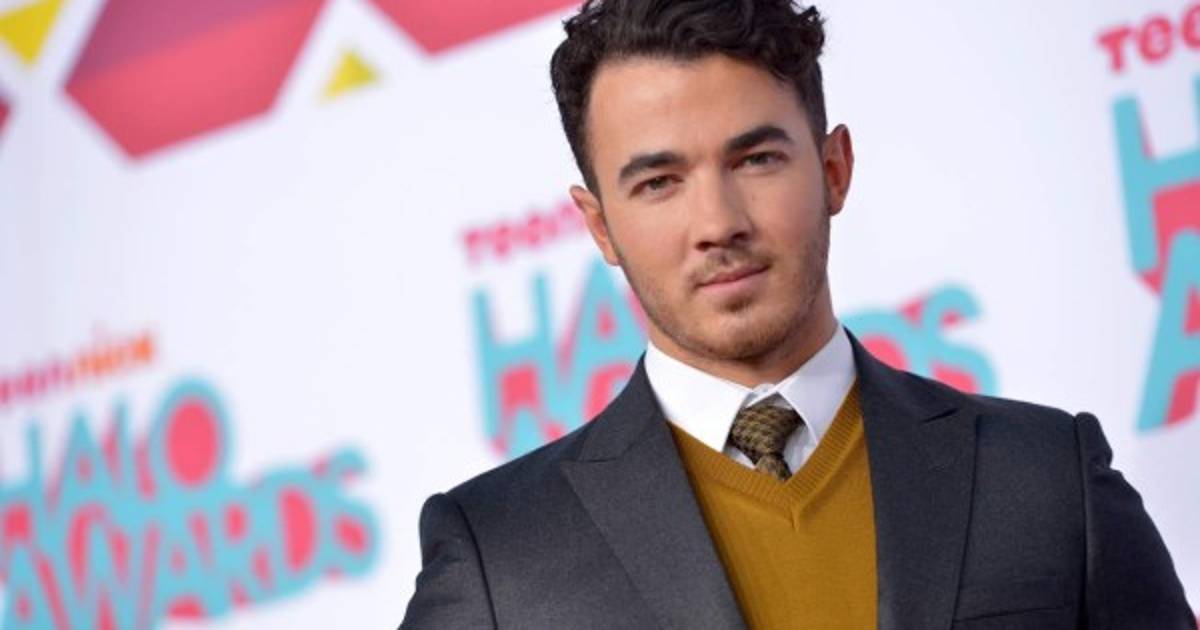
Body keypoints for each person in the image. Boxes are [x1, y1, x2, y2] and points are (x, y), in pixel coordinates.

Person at [400, 1, 1195, 627]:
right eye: (659, 183)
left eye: (756, 159)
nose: (717, 222)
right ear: (600, 225)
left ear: (834, 167)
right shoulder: (498, 557)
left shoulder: (1046, 477)